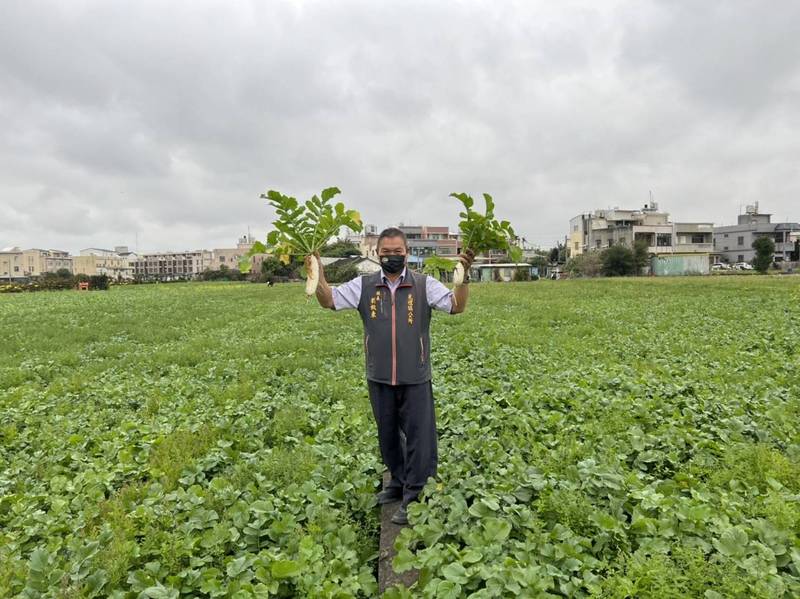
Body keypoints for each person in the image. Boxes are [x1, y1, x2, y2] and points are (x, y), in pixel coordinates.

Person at [306, 227, 474, 525]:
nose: (392, 257)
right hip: (380, 375)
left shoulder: (423, 285)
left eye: (398, 252)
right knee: (387, 437)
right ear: (378, 254)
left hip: (415, 376)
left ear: (406, 253)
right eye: (387, 253)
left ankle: (416, 496)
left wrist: (464, 276)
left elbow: (456, 306)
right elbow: (328, 300)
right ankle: (397, 481)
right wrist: (316, 271)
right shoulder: (364, 285)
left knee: (420, 440)